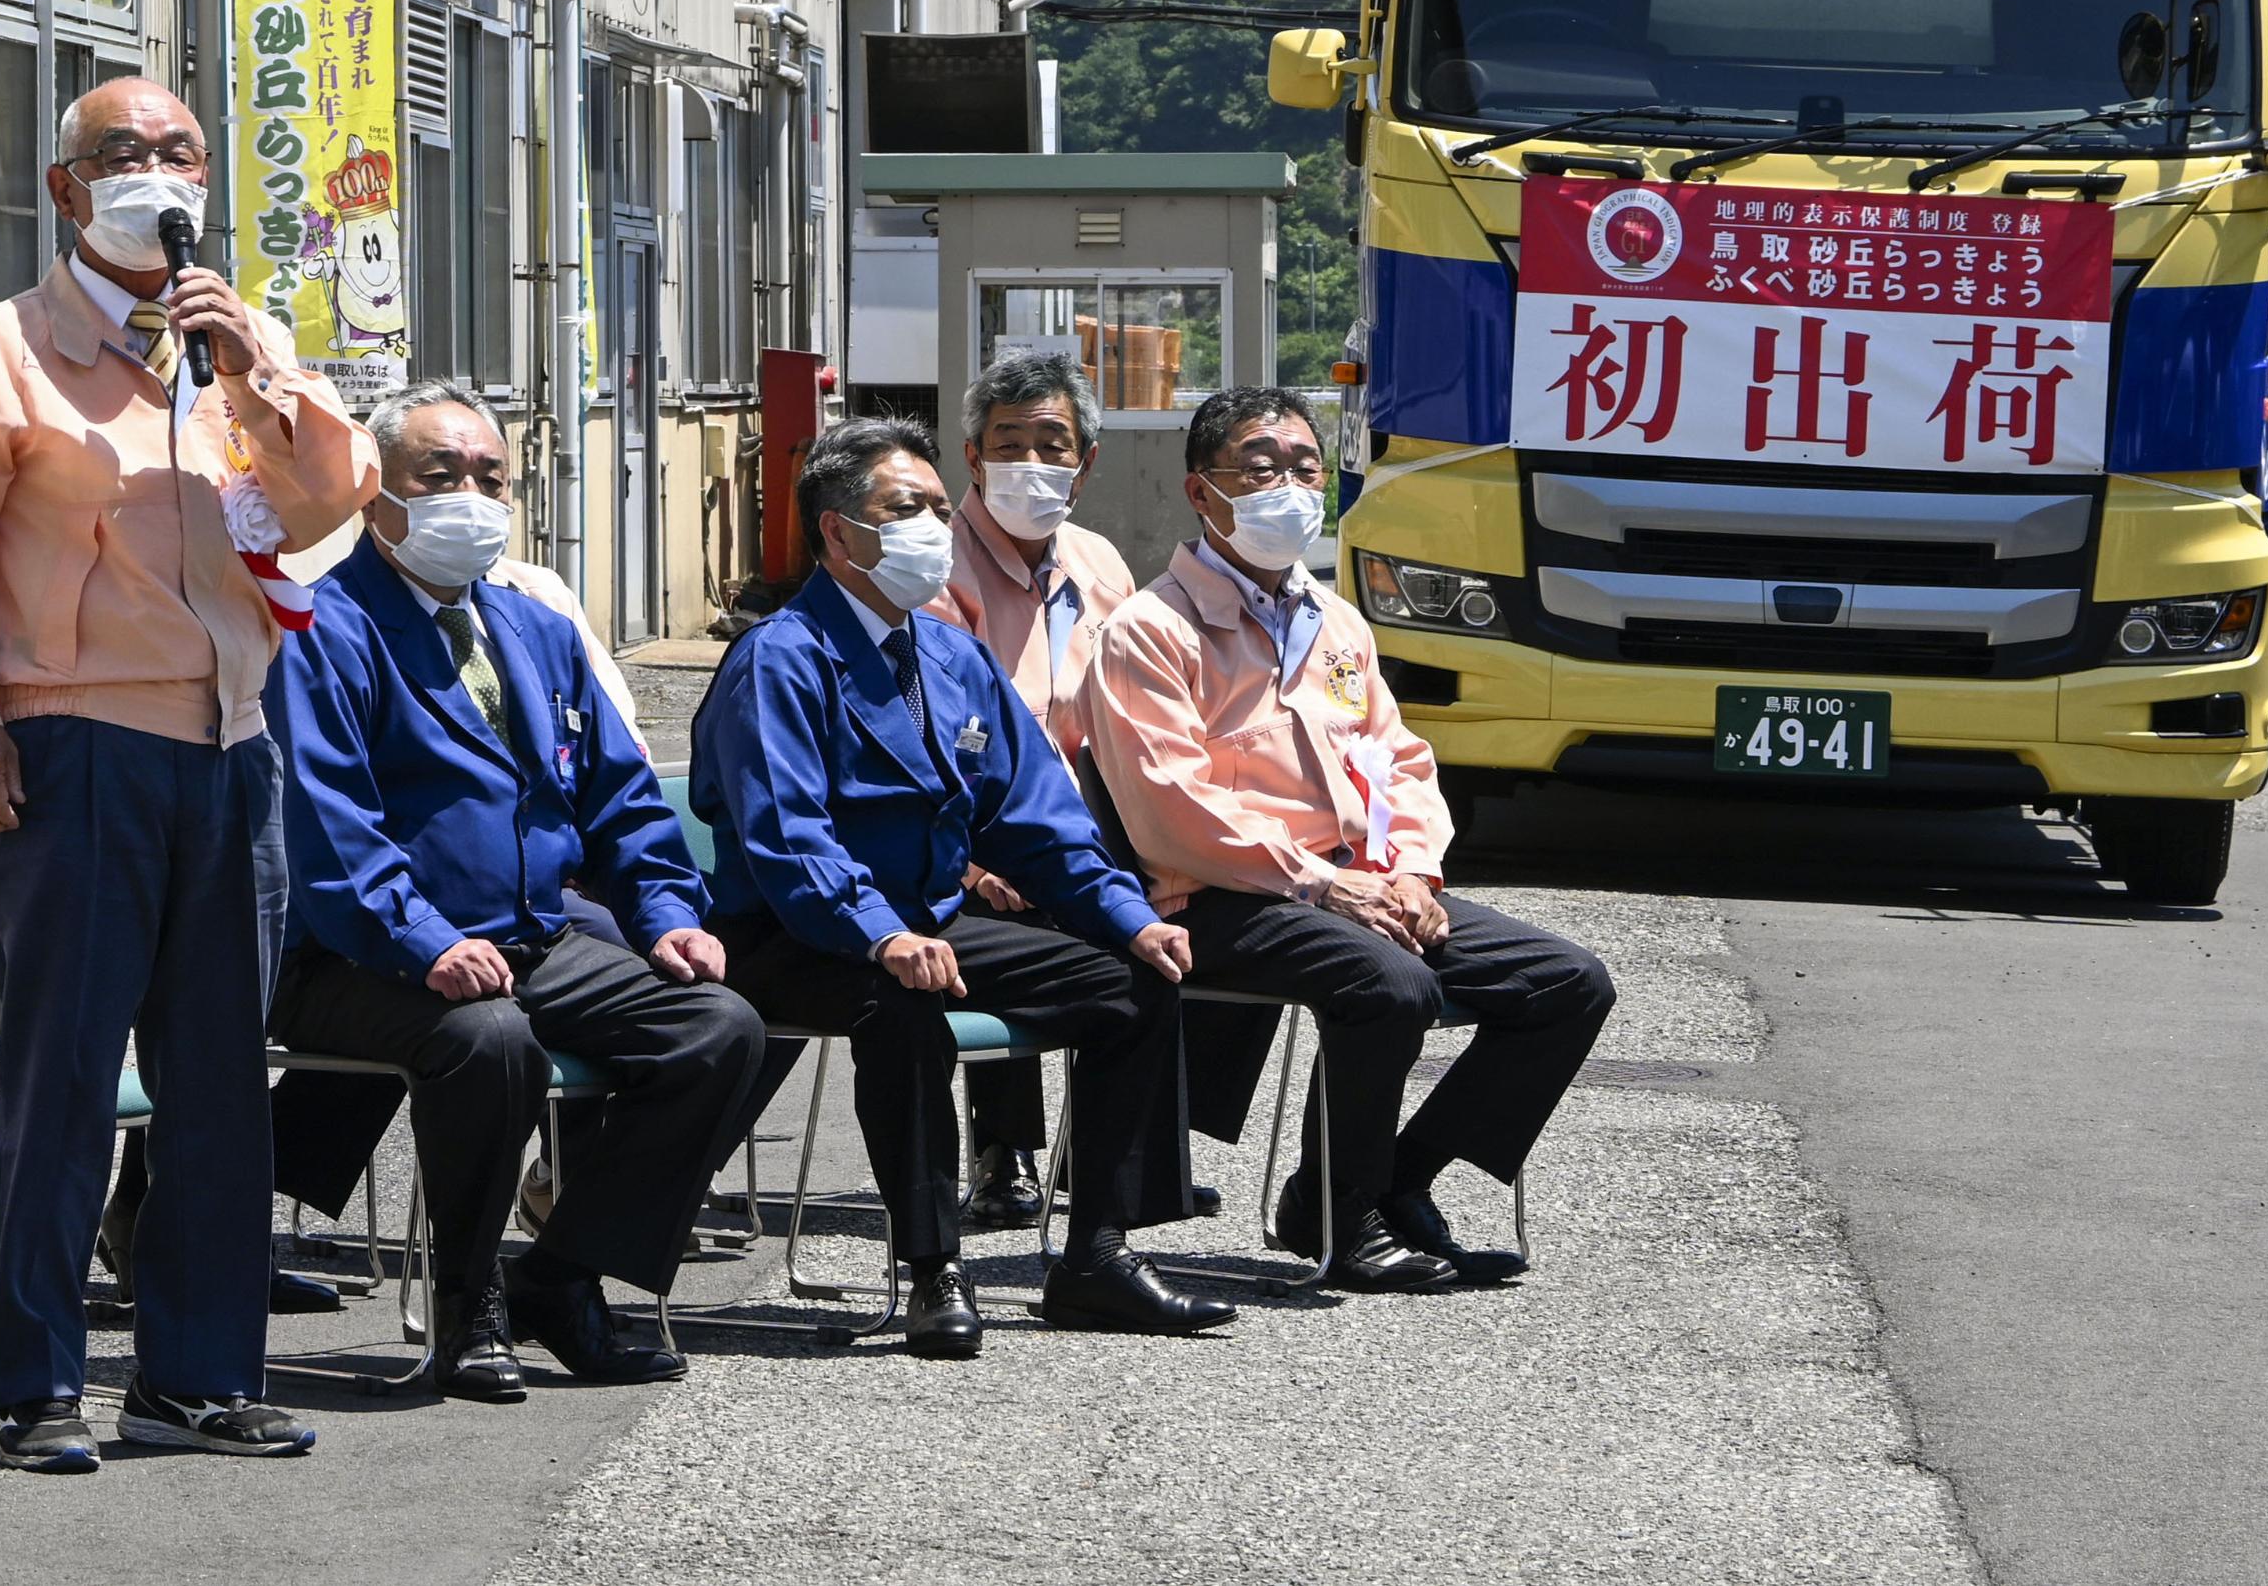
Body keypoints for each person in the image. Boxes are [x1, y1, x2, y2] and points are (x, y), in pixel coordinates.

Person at [0, 77, 380, 1475]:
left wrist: (254, 371)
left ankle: (195, 1376)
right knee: (65, 1075)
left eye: (180, 151)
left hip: (232, 744)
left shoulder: (233, 344)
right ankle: (33, 1377)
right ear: (68, 188)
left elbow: (330, 501)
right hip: (75, 740)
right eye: (123, 153)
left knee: (218, 1080)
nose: (157, 173)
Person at [690, 416, 1232, 1358]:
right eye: (907, 509)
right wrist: (880, 933)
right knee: (899, 1007)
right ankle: (933, 1266)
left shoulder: (950, 655)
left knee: (1133, 983)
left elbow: (1037, 818)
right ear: (838, 533)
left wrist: (1126, 917)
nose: (935, 529)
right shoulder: (780, 657)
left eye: (941, 510)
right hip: (795, 932)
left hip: (928, 918)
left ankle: (1098, 1255)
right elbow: (789, 839)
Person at [267, 383, 763, 1403]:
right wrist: (425, 941)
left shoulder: (532, 630)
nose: (471, 497)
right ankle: (467, 1302)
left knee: (716, 1026)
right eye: (438, 475)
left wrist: (667, 915)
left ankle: (563, 1274)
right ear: (372, 494)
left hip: (528, 936)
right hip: (359, 953)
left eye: (489, 478)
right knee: (489, 1041)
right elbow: (330, 829)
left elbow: (620, 797)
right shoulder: (324, 630)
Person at [1074, 388, 1617, 1292]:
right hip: (1217, 896)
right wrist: (1322, 885)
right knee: (1390, 985)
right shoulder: (1150, 630)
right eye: (1260, 469)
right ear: (1202, 492)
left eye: (1304, 468)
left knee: (1567, 982)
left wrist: (1413, 871)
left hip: (1352, 886)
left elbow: (1398, 760)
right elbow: (1172, 809)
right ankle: (1344, 1211)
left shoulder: (1334, 621)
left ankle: (1396, 1179)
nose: (1288, 488)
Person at [932, 349, 1141, 1232]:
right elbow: (930, 735)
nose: (1029, 463)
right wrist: (980, 860)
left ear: (1084, 463)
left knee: (1185, 913)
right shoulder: (936, 564)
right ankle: (1004, 1151)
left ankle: (1129, 1156)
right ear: (972, 457)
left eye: (1051, 444)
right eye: (1007, 443)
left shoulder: (1098, 563)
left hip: (1090, 816)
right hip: (975, 826)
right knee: (1014, 899)